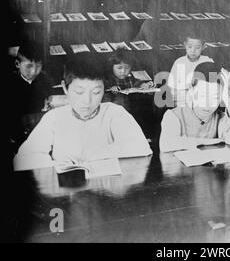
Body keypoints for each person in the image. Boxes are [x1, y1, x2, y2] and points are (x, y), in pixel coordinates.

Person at [14, 53, 152, 171]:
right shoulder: (55, 118)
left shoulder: (114, 113)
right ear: (65, 88)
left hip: (106, 191)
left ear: (105, 88)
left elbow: (141, 148)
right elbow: (23, 158)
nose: (87, 101)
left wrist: (93, 158)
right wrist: (54, 165)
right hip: (68, 191)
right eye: (79, 92)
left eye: (96, 92)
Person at [159, 62, 230, 152]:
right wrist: (207, 142)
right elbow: (166, 145)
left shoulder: (221, 118)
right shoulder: (173, 116)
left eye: (215, 97)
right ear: (191, 91)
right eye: (202, 96)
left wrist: (228, 101)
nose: (208, 104)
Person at [9, 42, 53, 148]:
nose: (34, 71)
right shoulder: (9, 83)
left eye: (38, 66)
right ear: (17, 64)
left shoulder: (45, 80)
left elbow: (46, 101)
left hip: (37, 122)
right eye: (28, 66)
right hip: (16, 127)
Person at [167, 35, 213, 107]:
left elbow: (214, 84)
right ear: (185, 45)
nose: (193, 51)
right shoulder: (179, 62)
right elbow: (171, 85)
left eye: (197, 48)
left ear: (203, 47)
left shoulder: (207, 61)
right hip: (183, 99)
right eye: (189, 47)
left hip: (202, 98)